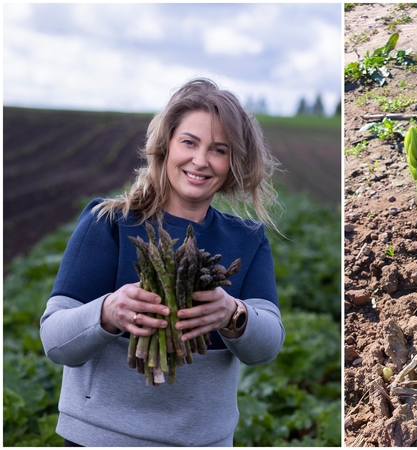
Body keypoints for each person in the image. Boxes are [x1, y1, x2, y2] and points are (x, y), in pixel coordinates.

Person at [39, 78, 285, 446]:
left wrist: (233, 315)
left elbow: (267, 347)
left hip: (202, 441)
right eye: (189, 142)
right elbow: (55, 340)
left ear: (234, 162)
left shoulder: (246, 240)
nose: (200, 161)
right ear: (166, 145)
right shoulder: (108, 222)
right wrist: (108, 311)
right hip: (99, 438)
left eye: (219, 150)